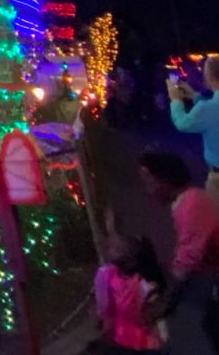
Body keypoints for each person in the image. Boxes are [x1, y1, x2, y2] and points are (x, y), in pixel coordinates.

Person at [139, 151, 219, 352]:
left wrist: (166, 297)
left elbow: (188, 260)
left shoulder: (191, 205)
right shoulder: (189, 200)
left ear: (165, 180)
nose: (148, 191)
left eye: (150, 182)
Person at [87, 232, 164, 353]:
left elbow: (104, 308)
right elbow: (153, 314)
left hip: (121, 337)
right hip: (146, 340)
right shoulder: (144, 284)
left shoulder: (105, 276)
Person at [167, 56, 219, 205]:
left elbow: (183, 123)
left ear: (209, 77)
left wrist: (175, 99)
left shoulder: (208, 109)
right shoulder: (209, 107)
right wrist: (194, 96)